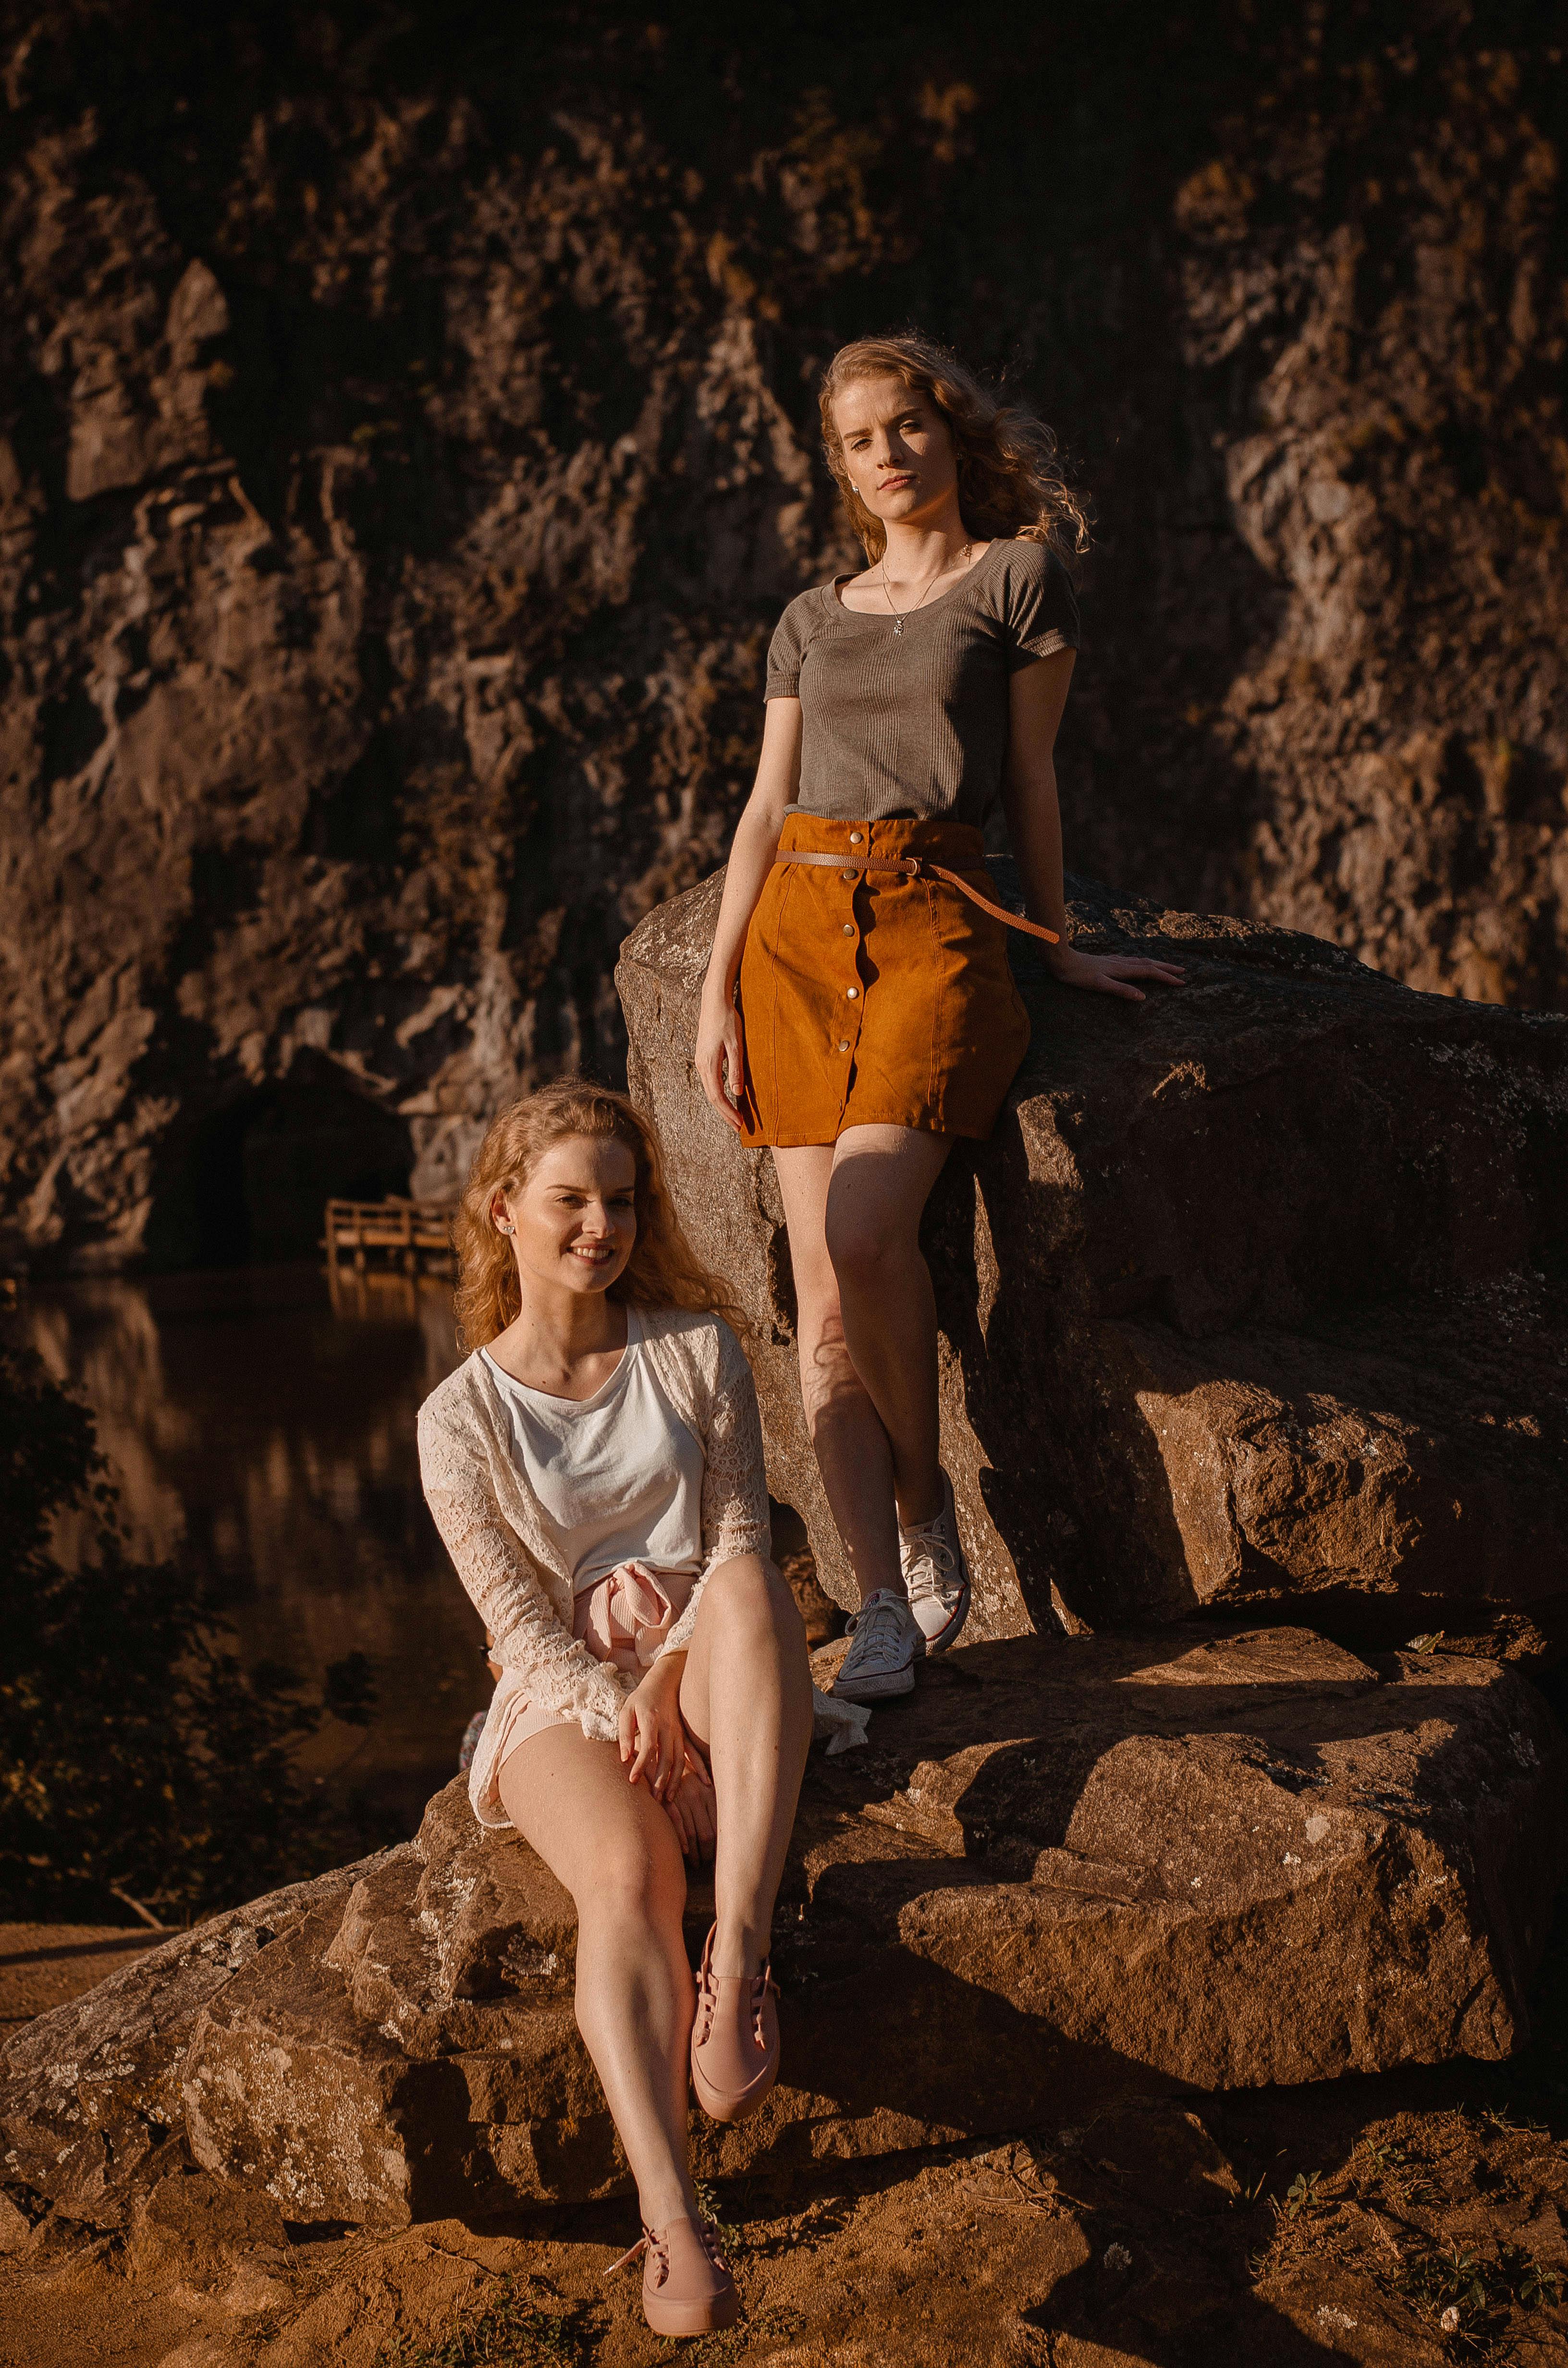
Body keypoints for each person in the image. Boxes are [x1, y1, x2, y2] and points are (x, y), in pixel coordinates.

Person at [695, 332, 1183, 1703]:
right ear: (843, 467)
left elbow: (1030, 779)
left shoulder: (1017, 577)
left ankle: (922, 1511)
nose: (889, 454)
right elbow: (762, 810)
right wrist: (717, 989)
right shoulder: (809, 614)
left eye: (907, 425)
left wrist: (1062, 948)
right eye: (861, 439)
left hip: (930, 925)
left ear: (951, 434)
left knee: (864, 1232)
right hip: (796, 935)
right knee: (823, 1303)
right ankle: (883, 1605)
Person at [417, 1079, 813, 2340]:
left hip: (714, 1652)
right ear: (504, 1211)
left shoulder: (695, 1351)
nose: (602, 1224)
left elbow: (742, 1529)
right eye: (571, 1199)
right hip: (552, 1696)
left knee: (748, 1578)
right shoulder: (456, 1419)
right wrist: (621, 1714)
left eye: (623, 1199)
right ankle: (672, 2219)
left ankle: (737, 1960)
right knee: (628, 1868)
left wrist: (671, 1685)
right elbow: (516, 1626)